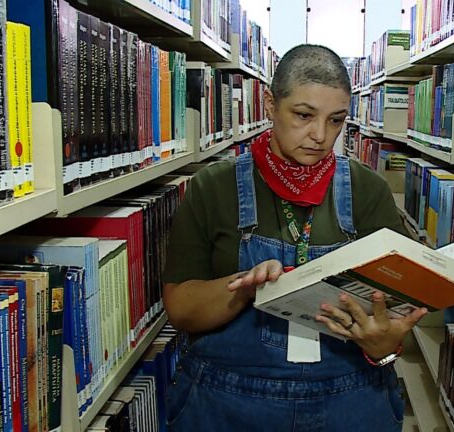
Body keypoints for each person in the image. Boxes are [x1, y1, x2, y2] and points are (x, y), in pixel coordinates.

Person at [162, 44, 428, 432]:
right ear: (269, 103)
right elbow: (181, 309)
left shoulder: (367, 190)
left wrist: (383, 344)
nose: (320, 136)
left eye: (336, 120)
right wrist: (243, 288)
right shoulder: (213, 187)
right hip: (228, 402)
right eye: (303, 115)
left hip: (347, 398)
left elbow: (403, 302)